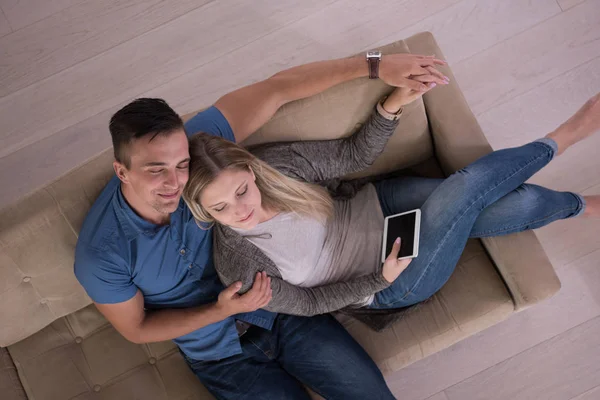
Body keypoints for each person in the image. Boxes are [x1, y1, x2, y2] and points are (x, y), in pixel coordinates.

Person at [74, 52, 449, 400]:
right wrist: (219, 311)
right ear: (121, 171)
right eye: (156, 171)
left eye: (181, 165)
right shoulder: (101, 254)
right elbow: (136, 329)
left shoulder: (198, 155)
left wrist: (374, 65)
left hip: (281, 312)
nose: (175, 182)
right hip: (220, 356)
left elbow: (277, 88)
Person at [183, 87, 600, 319]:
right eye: (219, 209)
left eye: (241, 191)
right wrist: (379, 280)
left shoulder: (275, 167)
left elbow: (351, 156)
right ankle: (567, 135)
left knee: (513, 203)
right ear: (204, 212)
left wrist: (392, 104)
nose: (240, 211)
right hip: (389, 279)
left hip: (379, 207)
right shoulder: (238, 262)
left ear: (250, 172)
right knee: (463, 191)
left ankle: (584, 206)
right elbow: (308, 304)